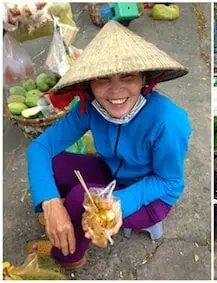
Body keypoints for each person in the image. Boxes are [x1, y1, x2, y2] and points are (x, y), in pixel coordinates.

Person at [26, 21, 192, 270]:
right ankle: (62, 219)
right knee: (53, 163)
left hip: (151, 198)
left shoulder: (168, 121)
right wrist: (49, 201)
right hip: (112, 172)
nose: (116, 90)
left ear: (145, 79)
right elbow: (40, 147)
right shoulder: (89, 108)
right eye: (103, 79)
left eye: (128, 76)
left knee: (77, 199)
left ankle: (70, 255)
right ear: (89, 84)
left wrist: (120, 203)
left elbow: (169, 181)